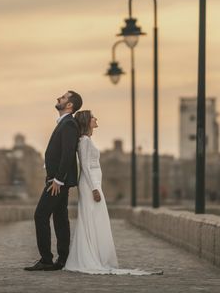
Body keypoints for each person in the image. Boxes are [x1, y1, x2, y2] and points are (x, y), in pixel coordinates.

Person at [64, 110, 155, 276]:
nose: (96, 118)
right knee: (92, 219)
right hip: (90, 184)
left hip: (94, 183)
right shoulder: (84, 141)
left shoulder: (88, 140)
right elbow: (84, 166)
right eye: (93, 117)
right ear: (86, 121)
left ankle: (95, 255)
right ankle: (90, 257)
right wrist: (94, 189)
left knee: (95, 219)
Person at [25, 91, 83, 272]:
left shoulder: (69, 124)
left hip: (58, 181)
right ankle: (62, 259)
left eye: (64, 97)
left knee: (41, 215)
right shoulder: (65, 124)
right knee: (60, 217)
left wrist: (58, 179)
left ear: (69, 105)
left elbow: (67, 154)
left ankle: (47, 260)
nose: (59, 98)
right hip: (57, 180)